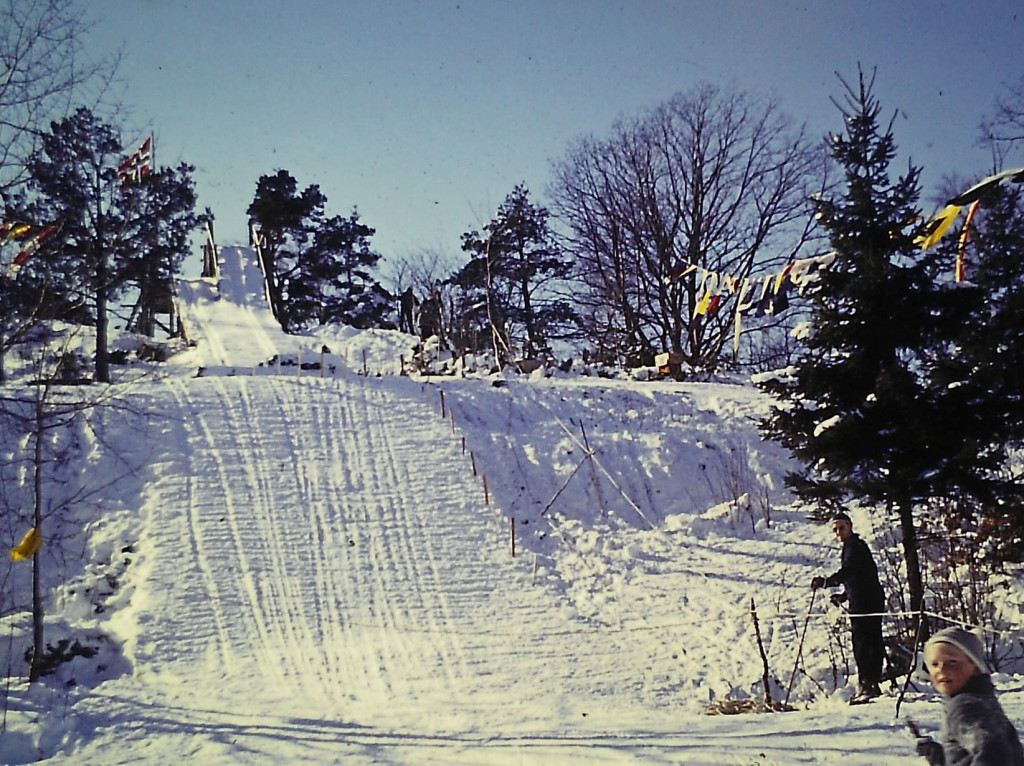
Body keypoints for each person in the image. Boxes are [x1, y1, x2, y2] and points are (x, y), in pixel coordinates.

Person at [915, 626, 1024, 765]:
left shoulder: (965, 706)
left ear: (974, 666)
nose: (941, 669)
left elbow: (994, 750)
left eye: (952, 662)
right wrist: (939, 756)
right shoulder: (981, 699)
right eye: (934, 664)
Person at [811, 511, 886, 702]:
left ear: (850, 526)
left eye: (841, 528)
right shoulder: (854, 547)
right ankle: (871, 683)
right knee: (870, 640)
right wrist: (845, 596)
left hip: (865, 602)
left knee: (863, 643)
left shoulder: (854, 547)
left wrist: (827, 582)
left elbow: (850, 571)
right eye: (835, 530)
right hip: (866, 598)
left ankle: (868, 684)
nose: (838, 533)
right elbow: (860, 576)